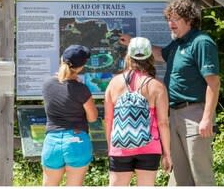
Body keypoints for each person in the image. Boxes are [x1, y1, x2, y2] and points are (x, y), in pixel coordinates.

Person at [119, 0, 220, 186]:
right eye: (169, 19)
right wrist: (133, 42)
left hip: (195, 115)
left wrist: (206, 118)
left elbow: (213, 83)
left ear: (189, 20)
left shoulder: (201, 42)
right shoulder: (178, 44)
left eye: (175, 19)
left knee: (200, 172)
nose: (170, 24)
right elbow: (158, 54)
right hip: (173, 114)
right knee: (179, 172)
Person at [104, 37, 172, 186]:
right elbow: (163, 123)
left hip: (120, 146)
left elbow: (108, 119)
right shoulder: (157, 86)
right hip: (149, 146)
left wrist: (111, 146)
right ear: (150, 57)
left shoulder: (114, 83)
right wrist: (167, 153)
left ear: (128, 55)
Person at [41, 44, 98, 186]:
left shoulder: (47, 84)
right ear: (81, 67)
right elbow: (92, 117)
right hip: (76, 141)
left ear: (61, 59)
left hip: (52, 142)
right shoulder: (81, 89)